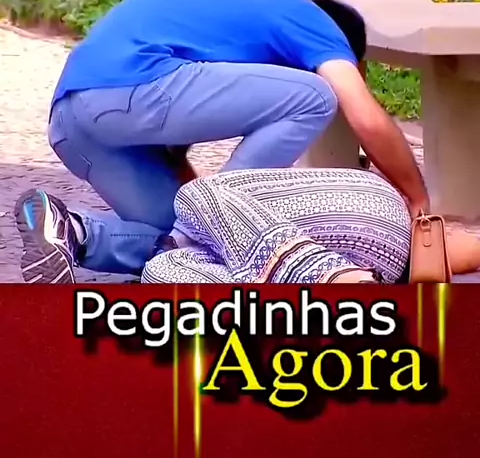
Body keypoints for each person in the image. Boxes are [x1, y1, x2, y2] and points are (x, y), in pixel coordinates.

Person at [15, 0, 430, 283]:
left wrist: (202, 220)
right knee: (316, 96)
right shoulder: (313, 20)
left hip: (73, 122)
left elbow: (173, 148)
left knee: (180, 237)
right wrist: (417, 200)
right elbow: (365, 116)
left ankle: (70, 230)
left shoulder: (230, 25)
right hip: (134, 87)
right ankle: (215, 220)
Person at [16, 168, 480, 285]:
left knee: (191, 205)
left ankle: (327, 278)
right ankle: (74, 231)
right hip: (373, 224)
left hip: (379, 223)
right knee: (164, 265)